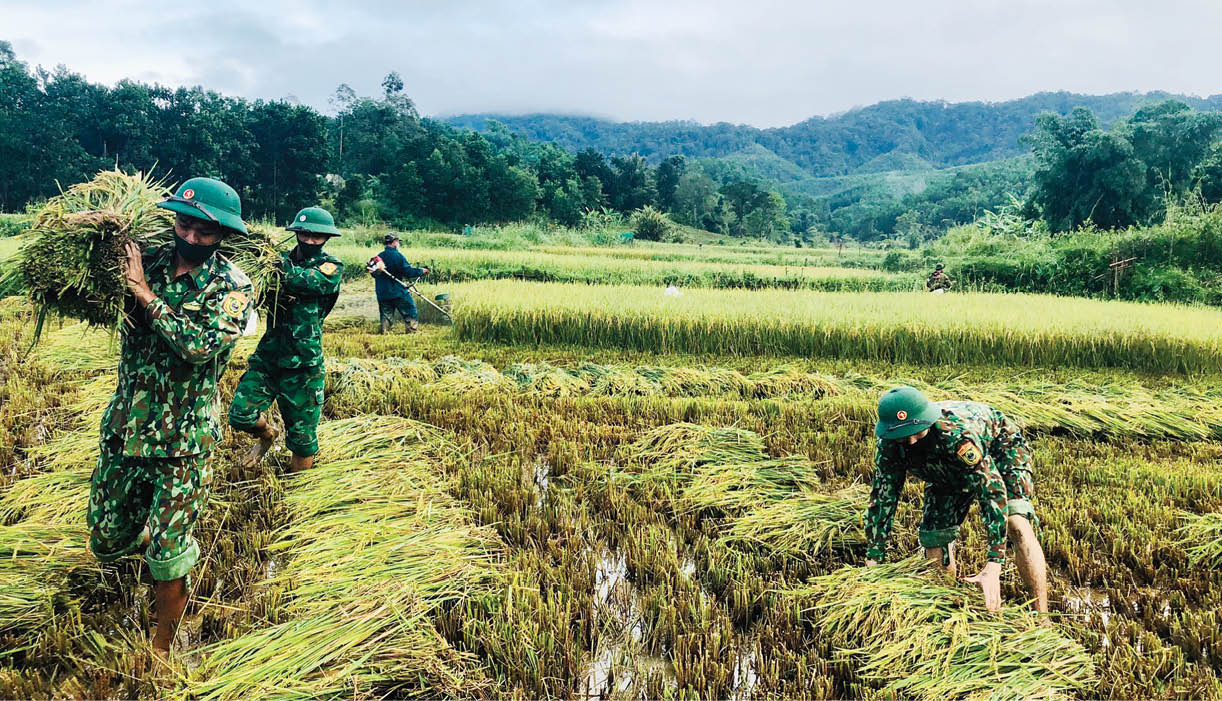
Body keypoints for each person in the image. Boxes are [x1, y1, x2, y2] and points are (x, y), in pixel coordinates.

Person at [88, 177, 254, 655]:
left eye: (205, 232)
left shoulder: (234, 288)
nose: (192, 239)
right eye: (184, 225)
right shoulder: (148, 259)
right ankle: (144, 534)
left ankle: (162, 645)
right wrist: (97, 228)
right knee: (106, 538)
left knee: (168, 552)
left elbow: (198, 347)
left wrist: (143, 294)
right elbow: (88, 269)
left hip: (183, 440)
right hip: (126, 429)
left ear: (223, 235)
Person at [864, 386, 1049, 613]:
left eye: (917, 431)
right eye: (902, 436)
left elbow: (992, 493)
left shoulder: (957, 436)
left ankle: (1042, 616)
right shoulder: (890, 446)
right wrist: (874, 556)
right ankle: (949, 607)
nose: (911, 441)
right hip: (943, 467)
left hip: (1000, 449)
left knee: (1015, 522)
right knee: (933, 537)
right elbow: (883, 499)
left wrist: (994, 564)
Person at [229, 207, 343, 473]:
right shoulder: (276, 261)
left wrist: (266, 264)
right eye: (305, 234)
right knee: (239, 414)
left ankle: (296, 492)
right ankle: (268, 435)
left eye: (318, 236)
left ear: (326, 238)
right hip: (269, 357)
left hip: (304, 363)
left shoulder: (331, 267)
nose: (311, 241)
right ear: (296, 234)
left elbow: (304, 282)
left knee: (302, 442)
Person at [372, 232, 428, 334]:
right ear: (394, 242)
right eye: (398, 242)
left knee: (386, 314)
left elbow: (373, 273)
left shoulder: (379, 257)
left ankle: (385, 331)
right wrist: (421, 271)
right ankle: (412, 330)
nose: (398, 244)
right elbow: (407, 271)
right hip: (397, 291)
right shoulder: (398, 256)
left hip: (382, 292)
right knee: (410, 309)